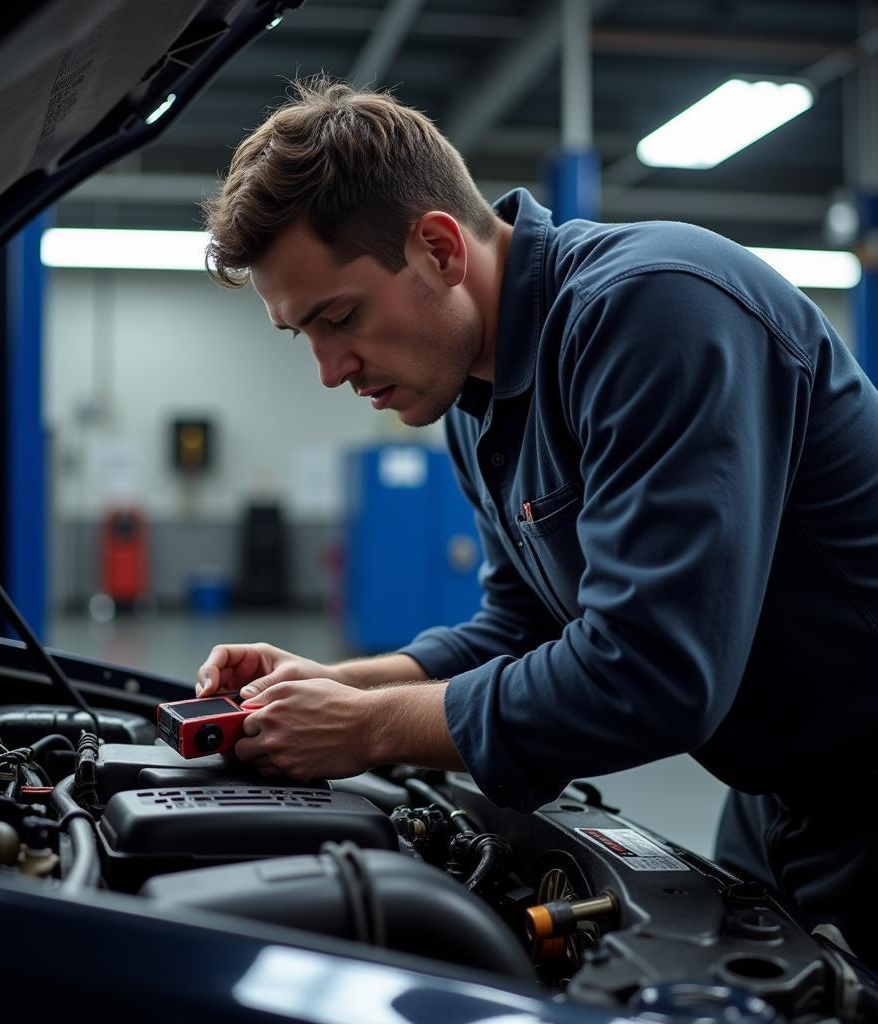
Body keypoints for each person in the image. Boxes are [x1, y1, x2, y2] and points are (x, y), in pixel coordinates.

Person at [196, 78, 878, 964]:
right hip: (779, 789)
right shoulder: (472, 402)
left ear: (438, 247)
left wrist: (365, 730)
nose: (330, 370)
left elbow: (653, 671)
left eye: (339, 317)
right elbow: (520, 625)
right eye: (305, 336)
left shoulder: (652, 309)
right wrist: (336, 687)